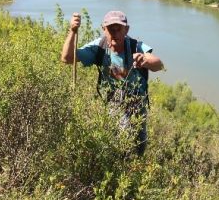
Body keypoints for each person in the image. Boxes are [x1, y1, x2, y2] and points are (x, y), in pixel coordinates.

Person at [61, 10, 163, 155]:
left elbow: (159, 65)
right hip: (113, 101)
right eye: (110, 29)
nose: (114, 32)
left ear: (126, 30)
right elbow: (67, 58)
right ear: (104, 29)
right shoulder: (99, 47)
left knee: (139, 146)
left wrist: (145, 60)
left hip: (137, 102)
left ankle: (134, 168)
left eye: (118, 28)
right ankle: (119, 166)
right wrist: (72, 30)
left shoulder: (135, 46)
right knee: (121, 140)